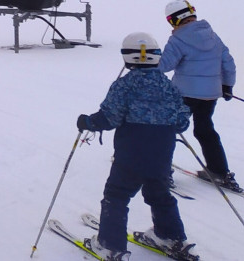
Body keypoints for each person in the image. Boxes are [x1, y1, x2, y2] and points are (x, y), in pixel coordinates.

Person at [76, 32, 193, 261]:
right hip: (161, 155)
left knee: (117, 195)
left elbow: (109, 118)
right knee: (159, 193)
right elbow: (182, 120)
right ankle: (171, 236)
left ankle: (110, 246)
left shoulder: (124, 85)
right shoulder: (167, 85)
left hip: (131, 154)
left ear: (127, 58)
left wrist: (87, 122)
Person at [158, 0, 238, 190]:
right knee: (205, 129)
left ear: (173, 20)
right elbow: (228, 62)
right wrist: (227, 85)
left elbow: (165, 65)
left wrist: (148, 61)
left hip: (184, 94)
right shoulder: (212, 35)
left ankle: (161, 173)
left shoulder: (178, 39)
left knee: (168, 129)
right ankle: (219, 171)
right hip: (210, 95)